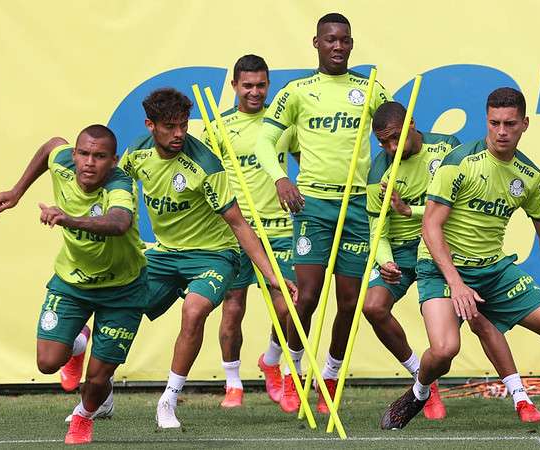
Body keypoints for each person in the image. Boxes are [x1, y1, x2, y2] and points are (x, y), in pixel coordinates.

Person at [380, 88, 540, 430]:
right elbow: (430, 227)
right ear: (487, 121)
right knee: (444, 350)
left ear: (524, 124)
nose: (501, 131)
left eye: (509, 124)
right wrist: (456, 284)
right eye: (494, 123)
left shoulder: (529, 177)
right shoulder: (460, 163)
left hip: (492, 270)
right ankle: (419, 392)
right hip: (441, 268)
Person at [118, 87, 296, 429]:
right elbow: (116, 187)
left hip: (214, 254)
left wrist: (273, 276)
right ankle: (99, 398)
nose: (179, 133)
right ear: (150, 125)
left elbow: (239, 225)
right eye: (170, 126)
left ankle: (168, 400)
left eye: (183, 125)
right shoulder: (137, 153)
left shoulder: (204, 164)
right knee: (121, 307)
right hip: (166, 253)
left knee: (194, 309)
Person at [367, 101, 540, 423]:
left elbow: (451, 211)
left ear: (412, 125)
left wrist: (409, 211)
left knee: (478, 316)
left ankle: (520, 396)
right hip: (407, 252)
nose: (391, 148)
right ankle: (420, 377)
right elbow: (376, 227)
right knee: (372, 306)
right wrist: (385, 261)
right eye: (383, 143)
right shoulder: (380, 169)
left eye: (396, 139)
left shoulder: (448, 149)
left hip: (446, 247)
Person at [254, 12, 389, 414]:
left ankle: (328, 377)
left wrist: (389, 174)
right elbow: (265, 141)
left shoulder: (370, 90)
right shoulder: (298, 91)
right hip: (311, 204)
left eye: (344, 40)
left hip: (355, 206)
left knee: (350, 302)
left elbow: (395, 133)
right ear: (316, 43)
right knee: (307, 296)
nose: (338, 46)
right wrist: (281, 177)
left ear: (351, 43)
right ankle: (295, 370)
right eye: (330, 39)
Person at [0, 125, 147, 444]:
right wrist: (17, 192)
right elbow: (51, 144)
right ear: (74, 155)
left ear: (113, 161)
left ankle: (83, 417)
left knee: (98, 378)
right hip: (72, 281)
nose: (90, 162)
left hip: (123, 290)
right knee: (47, 363)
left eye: (100, 156)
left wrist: (68, 219)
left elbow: (119, 223)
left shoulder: (120, 184)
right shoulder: (63, 164)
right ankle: (77, 346)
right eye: (84, 154)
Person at [201, 54, 300, 408]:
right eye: (247, 86)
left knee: (288, 306)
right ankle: (233, 383)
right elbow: (206, 179)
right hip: (235, 232)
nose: (255, 92)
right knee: (233, 308)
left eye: (261, 85)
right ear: (234, 86)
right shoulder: (217, 127)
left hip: (279, 228)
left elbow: (305, 165)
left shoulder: (283, 124)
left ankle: (272, 360)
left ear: (268, 85)